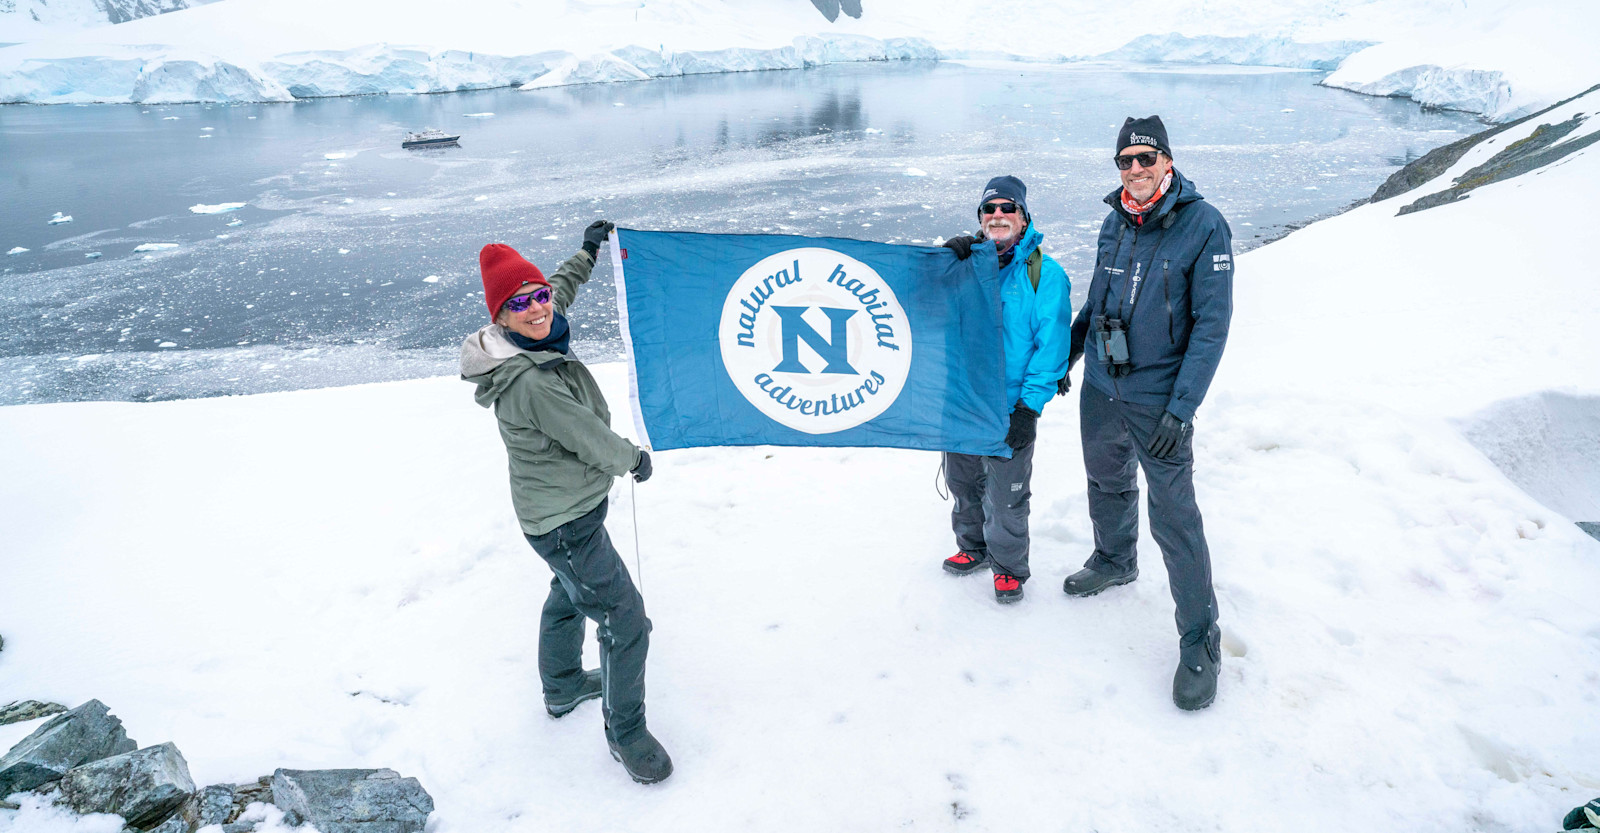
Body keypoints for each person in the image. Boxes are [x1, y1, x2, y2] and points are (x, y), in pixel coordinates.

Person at [460, 220, 672, 784]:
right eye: (519, 303)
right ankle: (627, 733)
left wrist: (588, 251)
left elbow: (559, 288)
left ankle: (560, 687)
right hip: (564, 520)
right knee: (626, 622)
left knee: (568, 591)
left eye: (538, 297)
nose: (537, 308)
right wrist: (634, 459)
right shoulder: (529, 380)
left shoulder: (536, 329)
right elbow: (587, 437)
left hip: (560, 512)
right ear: (498, 317)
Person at [1061, 116, 1234, 710]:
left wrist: (1181, 409)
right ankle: (1114, 559)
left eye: (1145, 158)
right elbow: (1097, 298)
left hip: (1159, 396)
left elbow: (1212, 328)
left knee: (1175, 515)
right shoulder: (1115, 221)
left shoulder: (1203, 225)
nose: (1134, 169)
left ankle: (1200, 638)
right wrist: (1069, 354)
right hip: (1102, 384)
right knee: (1106, 479)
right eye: (1125, 160)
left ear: (1166, 161)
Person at [938, 175, 1072, 604]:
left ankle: (1009, 566)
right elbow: (922, 312)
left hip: (1011, 403)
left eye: (1007, 208)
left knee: (1007, 493)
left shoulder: (1045, 275)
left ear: (1023, 216)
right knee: (963, 482)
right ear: (980, 218)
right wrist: (939, 265)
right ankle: (972, 547)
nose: (998, 215)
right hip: (964, 397)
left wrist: (1028, 408)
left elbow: (1050, 347)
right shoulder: (962, 266)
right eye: (989, 209)